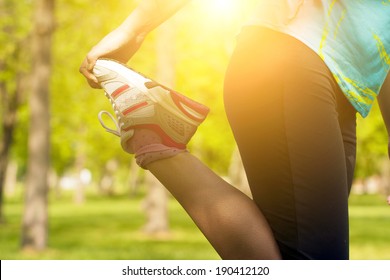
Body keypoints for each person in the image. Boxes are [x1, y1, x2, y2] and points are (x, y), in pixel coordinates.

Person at [80, 0, 390, 260]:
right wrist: (134, 29)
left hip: (344, 92)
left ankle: (155, 131)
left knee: (290, 253)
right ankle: (156, 138)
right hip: (290, 61)